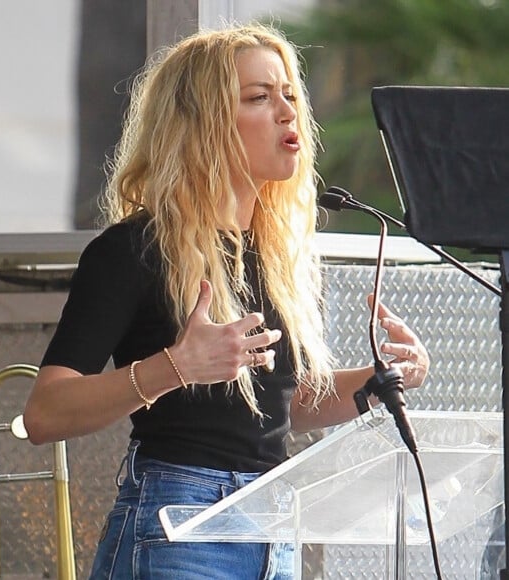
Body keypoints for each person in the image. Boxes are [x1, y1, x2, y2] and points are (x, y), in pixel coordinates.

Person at [23, 22, 429, 579]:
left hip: (272, 524)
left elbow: (284, 406)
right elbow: (45, 413)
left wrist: (380, 381)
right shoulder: (133, 250)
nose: (288, 112)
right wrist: (176, 367)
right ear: (201, 125)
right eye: (259, 97)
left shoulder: (279, 255)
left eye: (290, 94)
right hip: (179, 525)